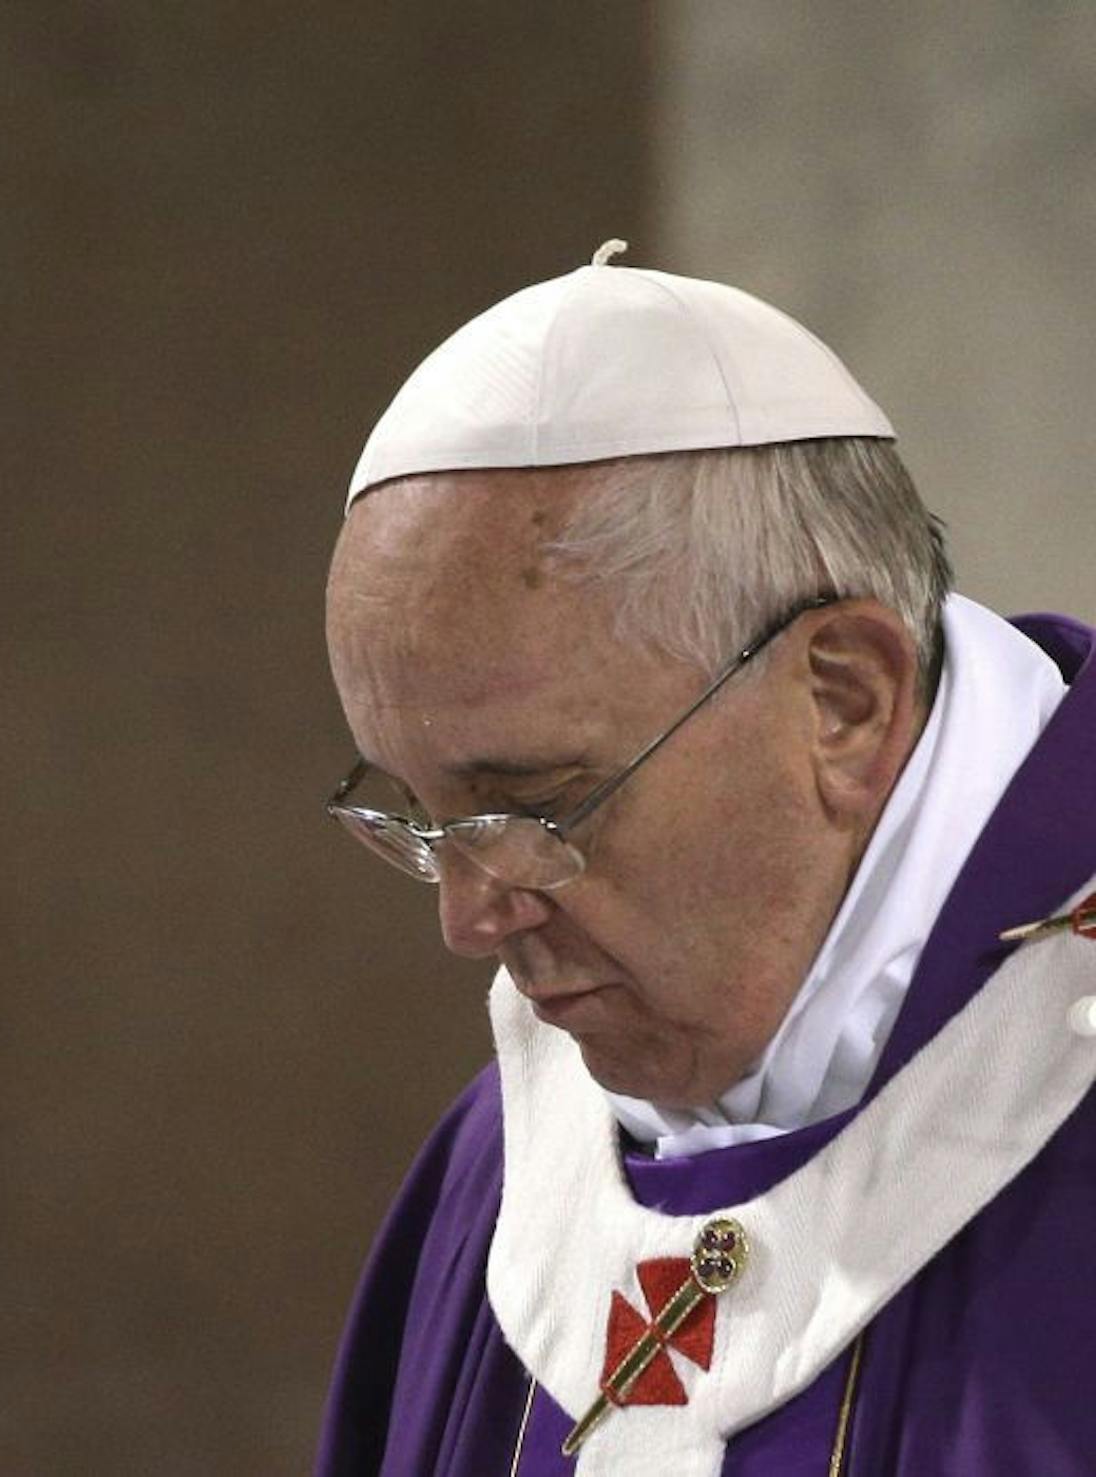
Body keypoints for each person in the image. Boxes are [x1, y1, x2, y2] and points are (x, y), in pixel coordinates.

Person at [313, 243, 1096, 1476]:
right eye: (421, 817)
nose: (470, 921)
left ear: (843, 700)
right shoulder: (506, 1178)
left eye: (538, 804)